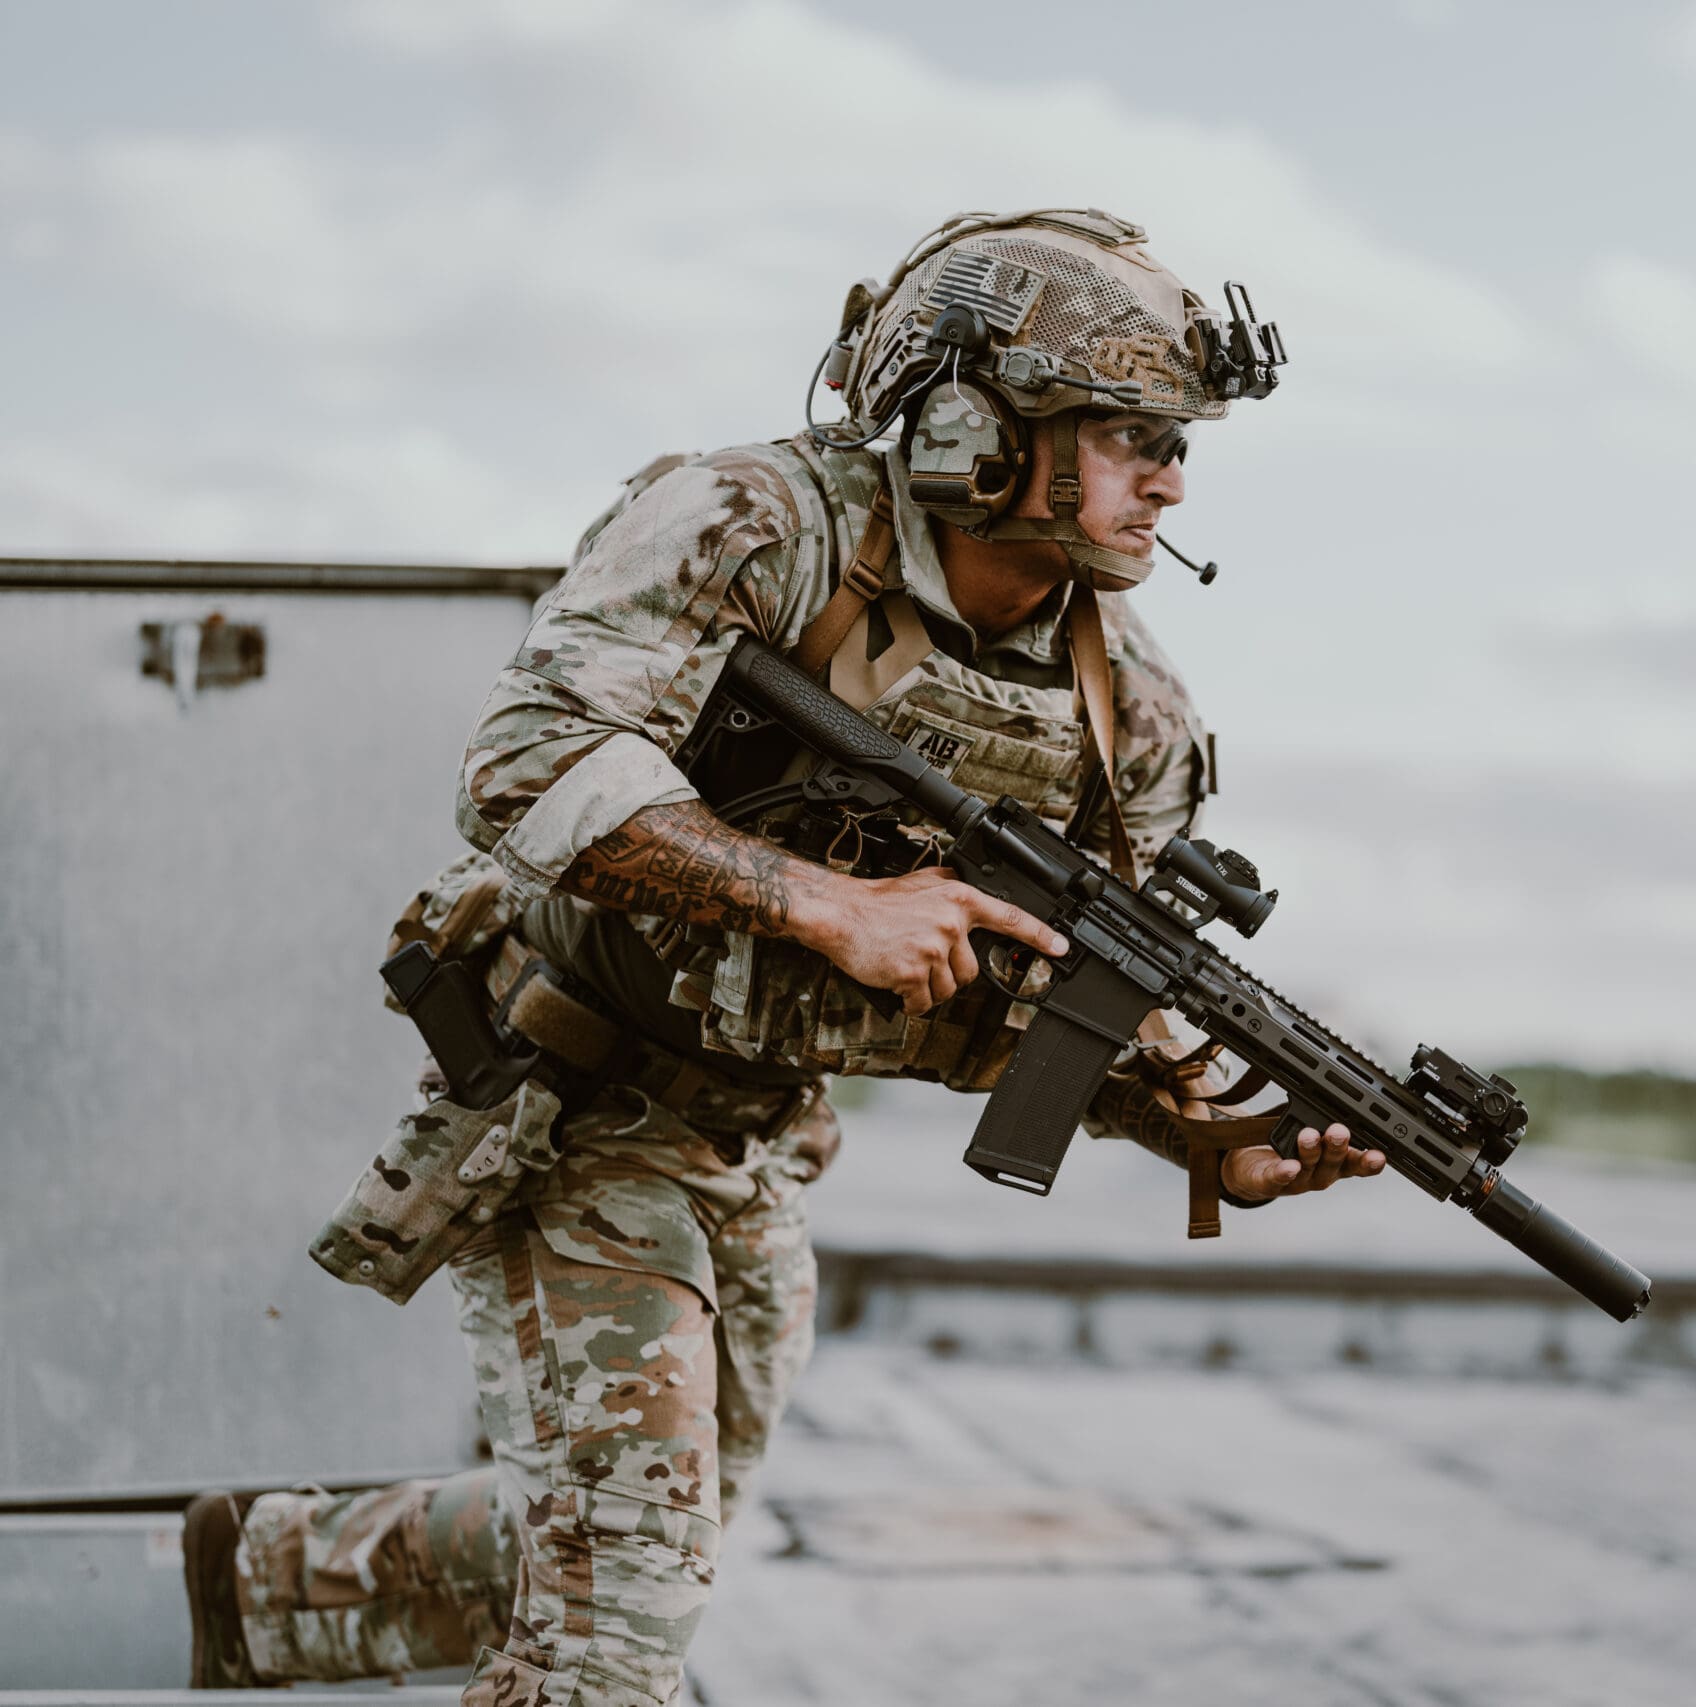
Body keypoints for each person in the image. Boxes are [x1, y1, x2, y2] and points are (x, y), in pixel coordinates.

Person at [181, 207, 1380, 1703]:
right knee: (619, 1619)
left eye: (1179, 441)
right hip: (571, 1096)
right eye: (1133, 433)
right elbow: (529, 761)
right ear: (973, 431)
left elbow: (1050, 1003)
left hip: (761, 1138)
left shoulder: (1125, 707)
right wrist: (823, 906)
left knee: (651, 1535)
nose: (1174, 478)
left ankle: (257, 1586)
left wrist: (1198, 1135)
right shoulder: (755, 525)